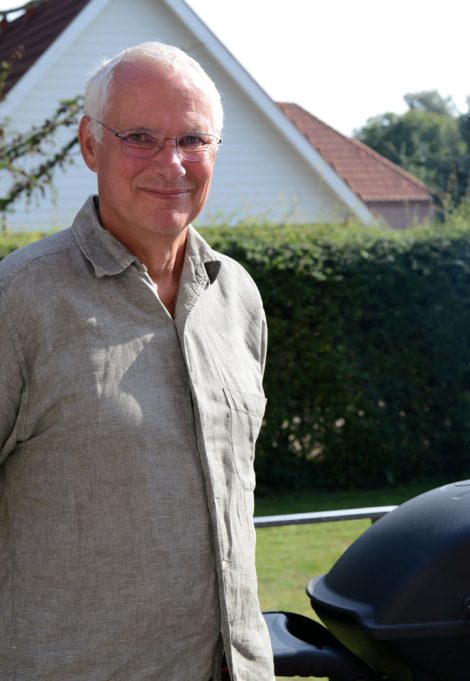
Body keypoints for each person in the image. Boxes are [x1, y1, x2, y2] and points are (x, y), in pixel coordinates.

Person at [0, 43, 273, 680]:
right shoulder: (21, 301)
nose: (171, 163)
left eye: (194, 139)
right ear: (90, 145)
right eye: (141, 137)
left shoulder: (238, 298)